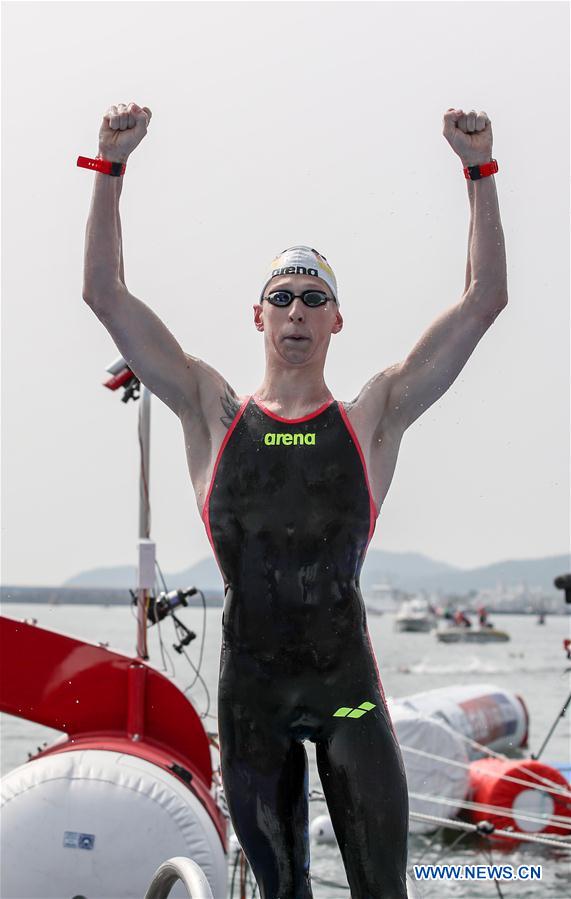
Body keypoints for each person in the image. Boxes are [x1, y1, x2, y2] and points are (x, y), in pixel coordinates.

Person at [81, 101, 507, 899]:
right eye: (283, 297)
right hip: (254, 707)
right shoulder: (209, 407)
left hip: (347, 700)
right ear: (258, 315)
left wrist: (477, 170)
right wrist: (110, 167)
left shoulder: (372, 417)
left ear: (337, 318)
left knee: (383, 892)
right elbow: (104, 294)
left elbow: (484, 300)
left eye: (314, 298)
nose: (298, 311)